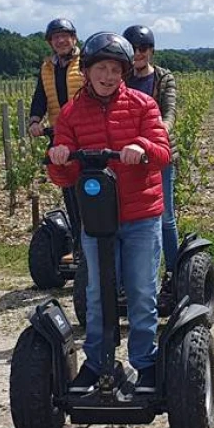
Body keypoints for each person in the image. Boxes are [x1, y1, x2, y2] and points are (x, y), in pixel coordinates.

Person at [47, 32, 171, 391]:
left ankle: (145, 363)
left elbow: (162, 153)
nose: (108, 76)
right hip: (98, 221)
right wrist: (59, 157)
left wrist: (142, 146)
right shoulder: (71, 114)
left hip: (140, 216)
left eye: (115, 69)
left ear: (124, 72)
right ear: (86, 71)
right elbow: (64, 174)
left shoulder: (143, 105)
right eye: (101, 68)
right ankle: (97, 362)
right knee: (98, 296)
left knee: (141, 293)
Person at [122, 24, 179, 292]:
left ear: (151, 51)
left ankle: (173, 273)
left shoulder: (164, 78)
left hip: (157, 153)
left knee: (165, 216)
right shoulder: (120, 78)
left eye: (142, 48)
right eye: (132, 49)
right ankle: (131, 276)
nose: (137, 53)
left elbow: (168, 114)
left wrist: (154, 135)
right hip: (127, 156)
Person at [28, 18, 85, 250]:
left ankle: (91, 241)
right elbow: (40, 97)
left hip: (85, 133)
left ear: (74, 38)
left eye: (65, 35)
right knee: (69, 189)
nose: (61, 40)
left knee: (89, 188)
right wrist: (34, 121)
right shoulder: (47, 68)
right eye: (55, 37)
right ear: (50, 42)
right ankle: (79, 243)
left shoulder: (86, 62)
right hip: (59, 135)